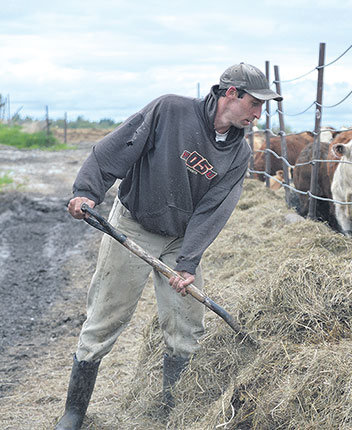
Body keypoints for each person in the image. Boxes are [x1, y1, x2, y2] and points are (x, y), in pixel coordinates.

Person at [56, 63, 282, 430]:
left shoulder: (239, 154)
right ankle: (74, 412)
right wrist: (86, 191)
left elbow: (214, 211)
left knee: (186, 328)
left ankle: (171, 412)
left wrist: (188, 261)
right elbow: (115, 150)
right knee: (104, 318)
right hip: (135, 222)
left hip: (182, 239)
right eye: (255, 104)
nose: (259, 114)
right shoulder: (169, 111)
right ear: (230, 93)